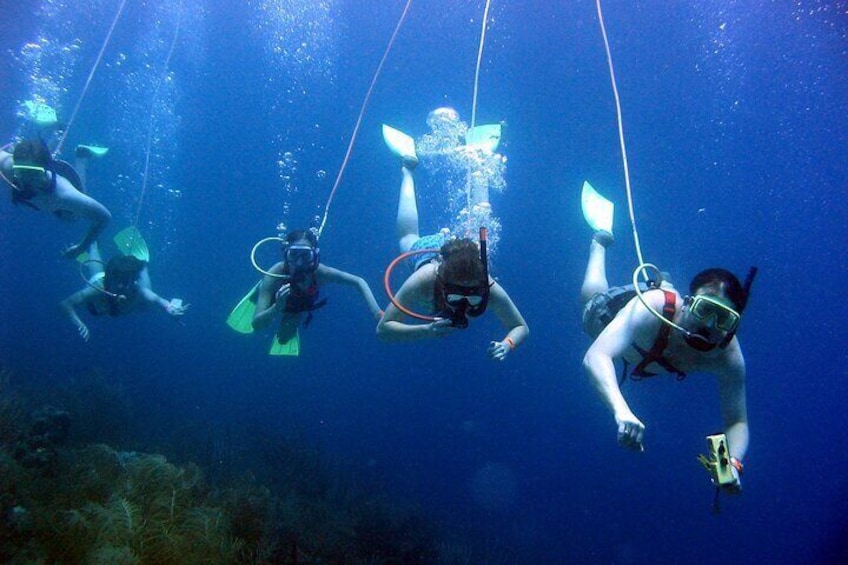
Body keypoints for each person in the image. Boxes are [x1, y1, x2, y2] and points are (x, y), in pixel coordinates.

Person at [580, 225, 755, 492]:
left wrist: (730, 464)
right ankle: (599, 244)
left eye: (722, 319)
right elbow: (596, 355)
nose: (708, 326)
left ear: (733, 327)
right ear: (688, 303)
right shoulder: (652, 309)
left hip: (647, 353)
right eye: (705, 309)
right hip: (618, 322)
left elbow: (737, 421)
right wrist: (621, 410)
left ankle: (665, 281)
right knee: (590, 303)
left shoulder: (727, 356)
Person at [375, 148, 529, 361]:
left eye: (471, 295)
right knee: (408, 238)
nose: (463, 305)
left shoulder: (487, 286)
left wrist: (507, 344)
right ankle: (408, 171)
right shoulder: (425, 277)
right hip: (427, 252)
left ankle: (479, 166)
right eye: (457, 296)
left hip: (458, 252)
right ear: (442, 281)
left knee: (473, 218)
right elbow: (383, 330)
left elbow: (520, 327)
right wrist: (426, 330)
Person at [250, 229, 384, 350]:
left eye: (305, 255)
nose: (299, 263)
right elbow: (256, 325)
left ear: (314, 256)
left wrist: (377, 313)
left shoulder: (321, 273)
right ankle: (260, 291)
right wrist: (276, 307)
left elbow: (358, 281)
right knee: (263, 302)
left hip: (298, 306)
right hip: (276, 301)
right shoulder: (275, 273)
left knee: (284, 340)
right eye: (294, 255)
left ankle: (283, 316)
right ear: (286, 255)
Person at [0, 138, 111, 259]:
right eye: (21, 172)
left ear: (44, 169)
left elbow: (104, 217)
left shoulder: (64, 196)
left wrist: (81, 248)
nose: (26, 180)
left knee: (72, 218)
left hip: (65, 178)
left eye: (33, 173)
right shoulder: (7, 167)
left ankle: (81, 158)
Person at [60, 238, 188, 341]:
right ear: (110, 280)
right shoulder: (98, 288)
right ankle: (93, 243)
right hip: (100, 288)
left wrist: (170, 309)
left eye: (130, 282)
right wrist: (78, 323)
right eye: (122, 283)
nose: (126, 287)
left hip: (117, 300)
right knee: (95, 271)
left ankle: (142, 266)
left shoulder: (136, 289)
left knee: (145, 306)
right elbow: (66, 303)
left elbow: (159, 300)